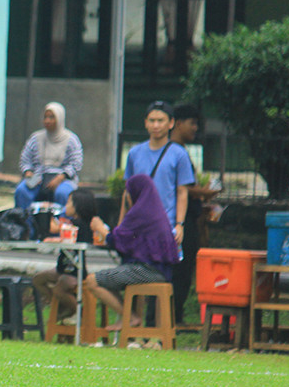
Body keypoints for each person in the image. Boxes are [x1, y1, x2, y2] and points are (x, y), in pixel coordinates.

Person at [84, 174, 181, 340]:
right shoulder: (155, 211)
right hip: (161, 271)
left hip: (148, 270)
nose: (127, 197)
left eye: (127, 193)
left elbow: (117, 240)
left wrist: (100, 228)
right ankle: (129, 317)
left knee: (91, 281)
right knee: (110, 279)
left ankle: (131, 317)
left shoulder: (140, 212)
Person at [169, 103, 221, 324]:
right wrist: (205, 192)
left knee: (183, 272)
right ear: (178, 124)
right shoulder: (173, 151)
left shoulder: (181, 151)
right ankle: (172, 318)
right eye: (192, 124)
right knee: (178, 273)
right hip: (180, 223)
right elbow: (181, 188)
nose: (195, 129)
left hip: (191, 218)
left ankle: (175, 316)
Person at [122, 100, 195, 240]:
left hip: (166, 225)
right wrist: (122, 225)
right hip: (139, 225)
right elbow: (128, 193)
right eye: (152, 120)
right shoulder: (134, 153)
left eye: (160, 121)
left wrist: (179, 224)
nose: (156, 125)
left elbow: (182, 192)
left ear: (171, 123)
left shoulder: (179, 154)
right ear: (146, 123)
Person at [32, 188, 99, 323]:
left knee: (60, 288)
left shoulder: (82, 225)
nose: (65, 206)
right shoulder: (71, 224)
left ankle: (78, 311)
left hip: (75, 271)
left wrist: (49, 213)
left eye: (68, 203)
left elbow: (56, 229)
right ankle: (60, 307)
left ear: (78, 206)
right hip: (62, 268)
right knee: (38, 279)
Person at [14, 101, 83, 209]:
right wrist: (28, 173)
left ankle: (61, 222)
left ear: (59, 119)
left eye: (52, 117)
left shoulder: (71, 140)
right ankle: (25, 223)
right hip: (38, 177)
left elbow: (76, 163)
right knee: (21, 190)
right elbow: (25, 159)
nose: (47, 121)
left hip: (63, 179)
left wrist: (60, 177)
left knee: (63, 193)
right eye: (45, 117)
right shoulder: (35, 138)